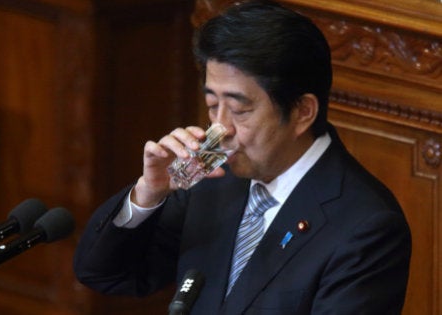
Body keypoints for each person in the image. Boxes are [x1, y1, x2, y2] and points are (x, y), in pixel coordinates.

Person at [73, 0, 412, 314]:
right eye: (211, 106)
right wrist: (149, 193)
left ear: (302, 111)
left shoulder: (365, 227)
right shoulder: (211, 182)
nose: (219, 129)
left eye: (238, 109)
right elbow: (105, 274)